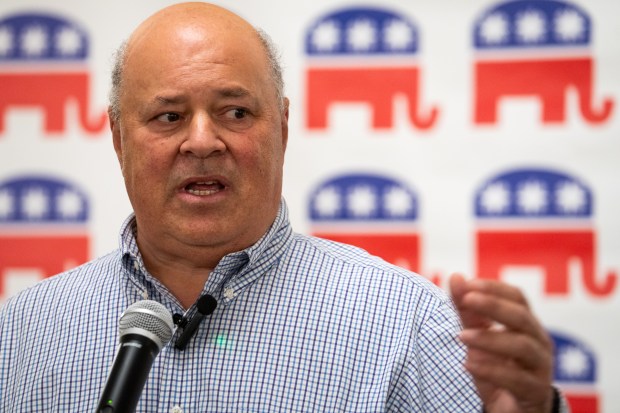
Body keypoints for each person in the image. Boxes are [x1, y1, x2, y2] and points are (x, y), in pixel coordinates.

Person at [0, 2, 567, 412]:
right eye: (168, 116)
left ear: (284, 128)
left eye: (236, 113)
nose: (202, 141)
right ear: (120, 139)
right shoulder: (23, 331)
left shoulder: (405, 324)